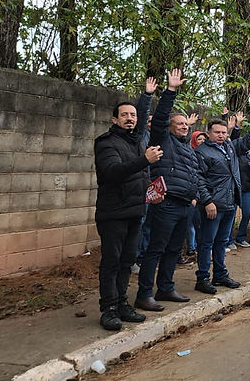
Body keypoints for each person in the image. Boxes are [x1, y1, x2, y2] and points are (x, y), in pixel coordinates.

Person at [93, 77, 163, 330]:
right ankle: (108, 308)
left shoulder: (135, 142)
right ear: (115, 119)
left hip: (135, 211)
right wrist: (145, 160)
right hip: (113, 213)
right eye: (124, 115)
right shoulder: (106, 142)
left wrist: (153, 191)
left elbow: (139, 176)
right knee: (111, 262)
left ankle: (122, 303)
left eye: (133, 115)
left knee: (127, 261)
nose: (130, 118)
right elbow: (113, 172)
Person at [136, 68, 198, 312]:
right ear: (169, 127)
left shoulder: (188, 148)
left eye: (186, 124)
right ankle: (144, 293)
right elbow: (160, 117)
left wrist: (195, 197)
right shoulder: (162, 139)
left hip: (185, 205)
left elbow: (194, 176)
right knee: (156, 249)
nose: (184, 127)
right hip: (167, 203)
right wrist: (171, 90)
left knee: (174, 249)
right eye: (179, 124)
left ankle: (166, 287)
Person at [194, 110, 250, 294]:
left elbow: (247, 141)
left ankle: (220, 274)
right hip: (212, 205)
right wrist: (207, 201)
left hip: (230, 202)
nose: (221, 135)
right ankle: (202, 278)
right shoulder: (201, 152)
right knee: (207, 242)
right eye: (217, 132)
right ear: (208, 133)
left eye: (224, 132)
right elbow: (198, 179)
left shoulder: (230, 147)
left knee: (222, 241)